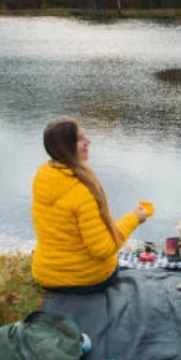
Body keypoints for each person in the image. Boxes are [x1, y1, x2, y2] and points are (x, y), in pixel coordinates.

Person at [31, 115, 149, 293]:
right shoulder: (82, 192)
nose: (88, 141)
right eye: (80, 139)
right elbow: (102, 249)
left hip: (46, 275)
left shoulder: (43, 176)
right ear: (65, 147)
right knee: (114, 265)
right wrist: (134, 219)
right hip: (85, 279)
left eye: (85, 136)